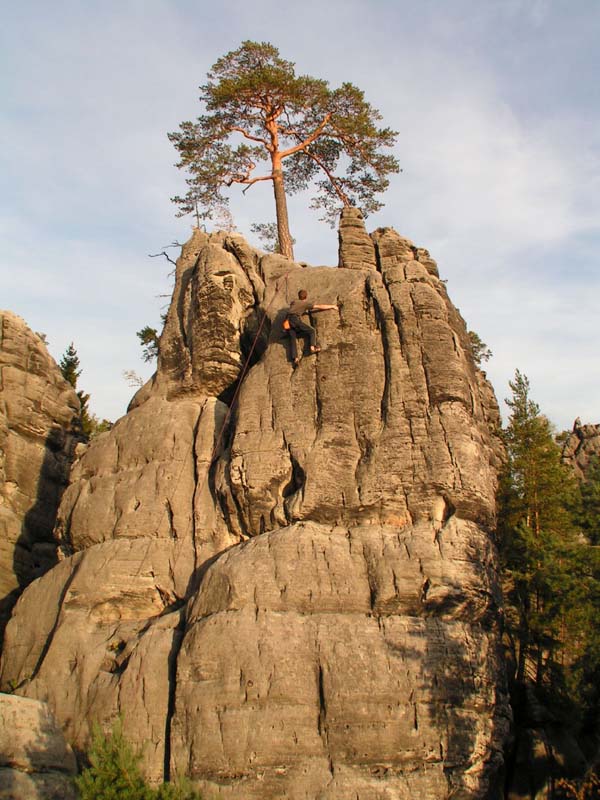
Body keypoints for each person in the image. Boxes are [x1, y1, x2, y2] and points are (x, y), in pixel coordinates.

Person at [285, 290, 337, 366]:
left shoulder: (294, 302)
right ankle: (312, 348)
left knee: (293, 338)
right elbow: (319, 306)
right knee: (312, 331)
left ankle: (295, 359)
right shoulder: (305, 303)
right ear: (306, 297)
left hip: (287, 321)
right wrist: (332, 306)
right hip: (294, 320)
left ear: (298, 296)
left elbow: (293, 307)